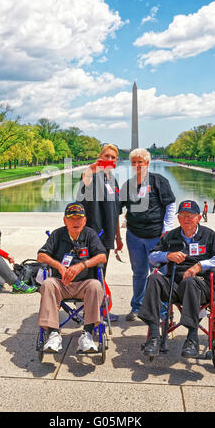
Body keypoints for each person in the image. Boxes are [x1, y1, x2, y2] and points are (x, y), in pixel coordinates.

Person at [138, 200, 215, 358]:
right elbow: (152, 257)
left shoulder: (208, 235)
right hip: (175, 284)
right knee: (153, 279)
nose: (185, 219)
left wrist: (200, 266)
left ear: (199, 217)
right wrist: (167, 255)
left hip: (202, 286)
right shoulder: (171, 236)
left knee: (190, 281)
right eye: (181, 215)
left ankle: (192, 337)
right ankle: (154, 336)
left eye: (189, 215)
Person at [37, 202, 107, 353]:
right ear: (65, 220)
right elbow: (41, 256)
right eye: (72, 218)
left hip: (84, 284)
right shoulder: (57, 234)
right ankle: (54, 334)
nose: (76, 222)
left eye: (79, 218)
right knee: (48, 284)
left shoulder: (90, 234)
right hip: (61, 284)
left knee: (96, 285)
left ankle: (87, 335)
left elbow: (102, 256)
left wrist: (82, 265)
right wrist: (59, 266)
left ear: (84, 220)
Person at [120, 148, 176, 321]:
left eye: (140, 162)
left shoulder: (159, 181)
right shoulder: (128, 185)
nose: (137, 165)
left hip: (156, 236)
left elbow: (170, 205)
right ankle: (137, 307)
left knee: (160, 273)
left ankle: (163, 311)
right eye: (134, 162)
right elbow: (115, 208)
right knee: (138, 273)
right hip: (134, 236)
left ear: (147, 163)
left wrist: (166, 230)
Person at [76, 144, 123, 322]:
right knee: (92, 275)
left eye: (113, 158)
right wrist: (94, 167)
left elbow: (116, 211)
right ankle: (92, 313)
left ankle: (99, 310)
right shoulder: (92, 176)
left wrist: (118, 237)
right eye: (107, 156)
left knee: (102, 273)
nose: (110, 160)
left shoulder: (113, 181)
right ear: (99, 157)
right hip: (92, 235)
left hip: (108, 236)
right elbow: (85, 179)